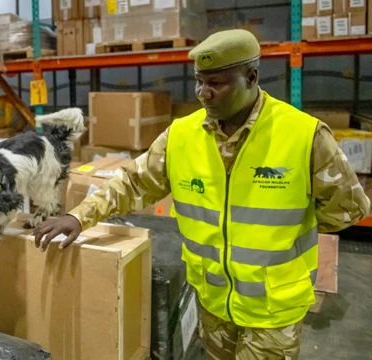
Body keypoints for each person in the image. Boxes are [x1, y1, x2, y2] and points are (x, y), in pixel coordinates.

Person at [33, 29, 370, 360]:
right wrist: (79, 215)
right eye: (199, 81)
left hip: (273, 310)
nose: (203, 93)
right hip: (212, 301)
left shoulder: (303, 136)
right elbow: (133, 182)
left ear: (252, 77)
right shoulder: (182, 135)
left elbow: (346, 209)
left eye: (216, 84)